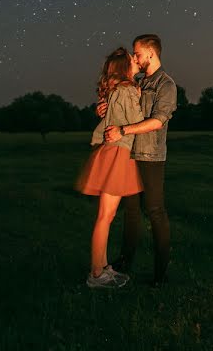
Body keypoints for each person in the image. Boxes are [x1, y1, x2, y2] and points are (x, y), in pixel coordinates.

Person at [101, 33, 177, 286]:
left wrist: (124, 130)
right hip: (129, 154)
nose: (134, 58)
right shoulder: (139, 82)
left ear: (151, 53)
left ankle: (161, 274)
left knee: (155, 211)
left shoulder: (166, 85)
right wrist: (103, 107)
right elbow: (120, 105)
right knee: (131, 211)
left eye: (138, 53)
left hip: (151, 156)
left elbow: (157, 121)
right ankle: (125, 261)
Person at [75, 47, 144, 289]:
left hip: (115, 153)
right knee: (105, 216)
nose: (137, 61)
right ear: (125, 68)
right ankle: (96, 274)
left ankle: (103, 267)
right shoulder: (125, 90)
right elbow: (140, 120)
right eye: (132, 60)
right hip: (118, 154)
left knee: (108, 215)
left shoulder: (119, 90)